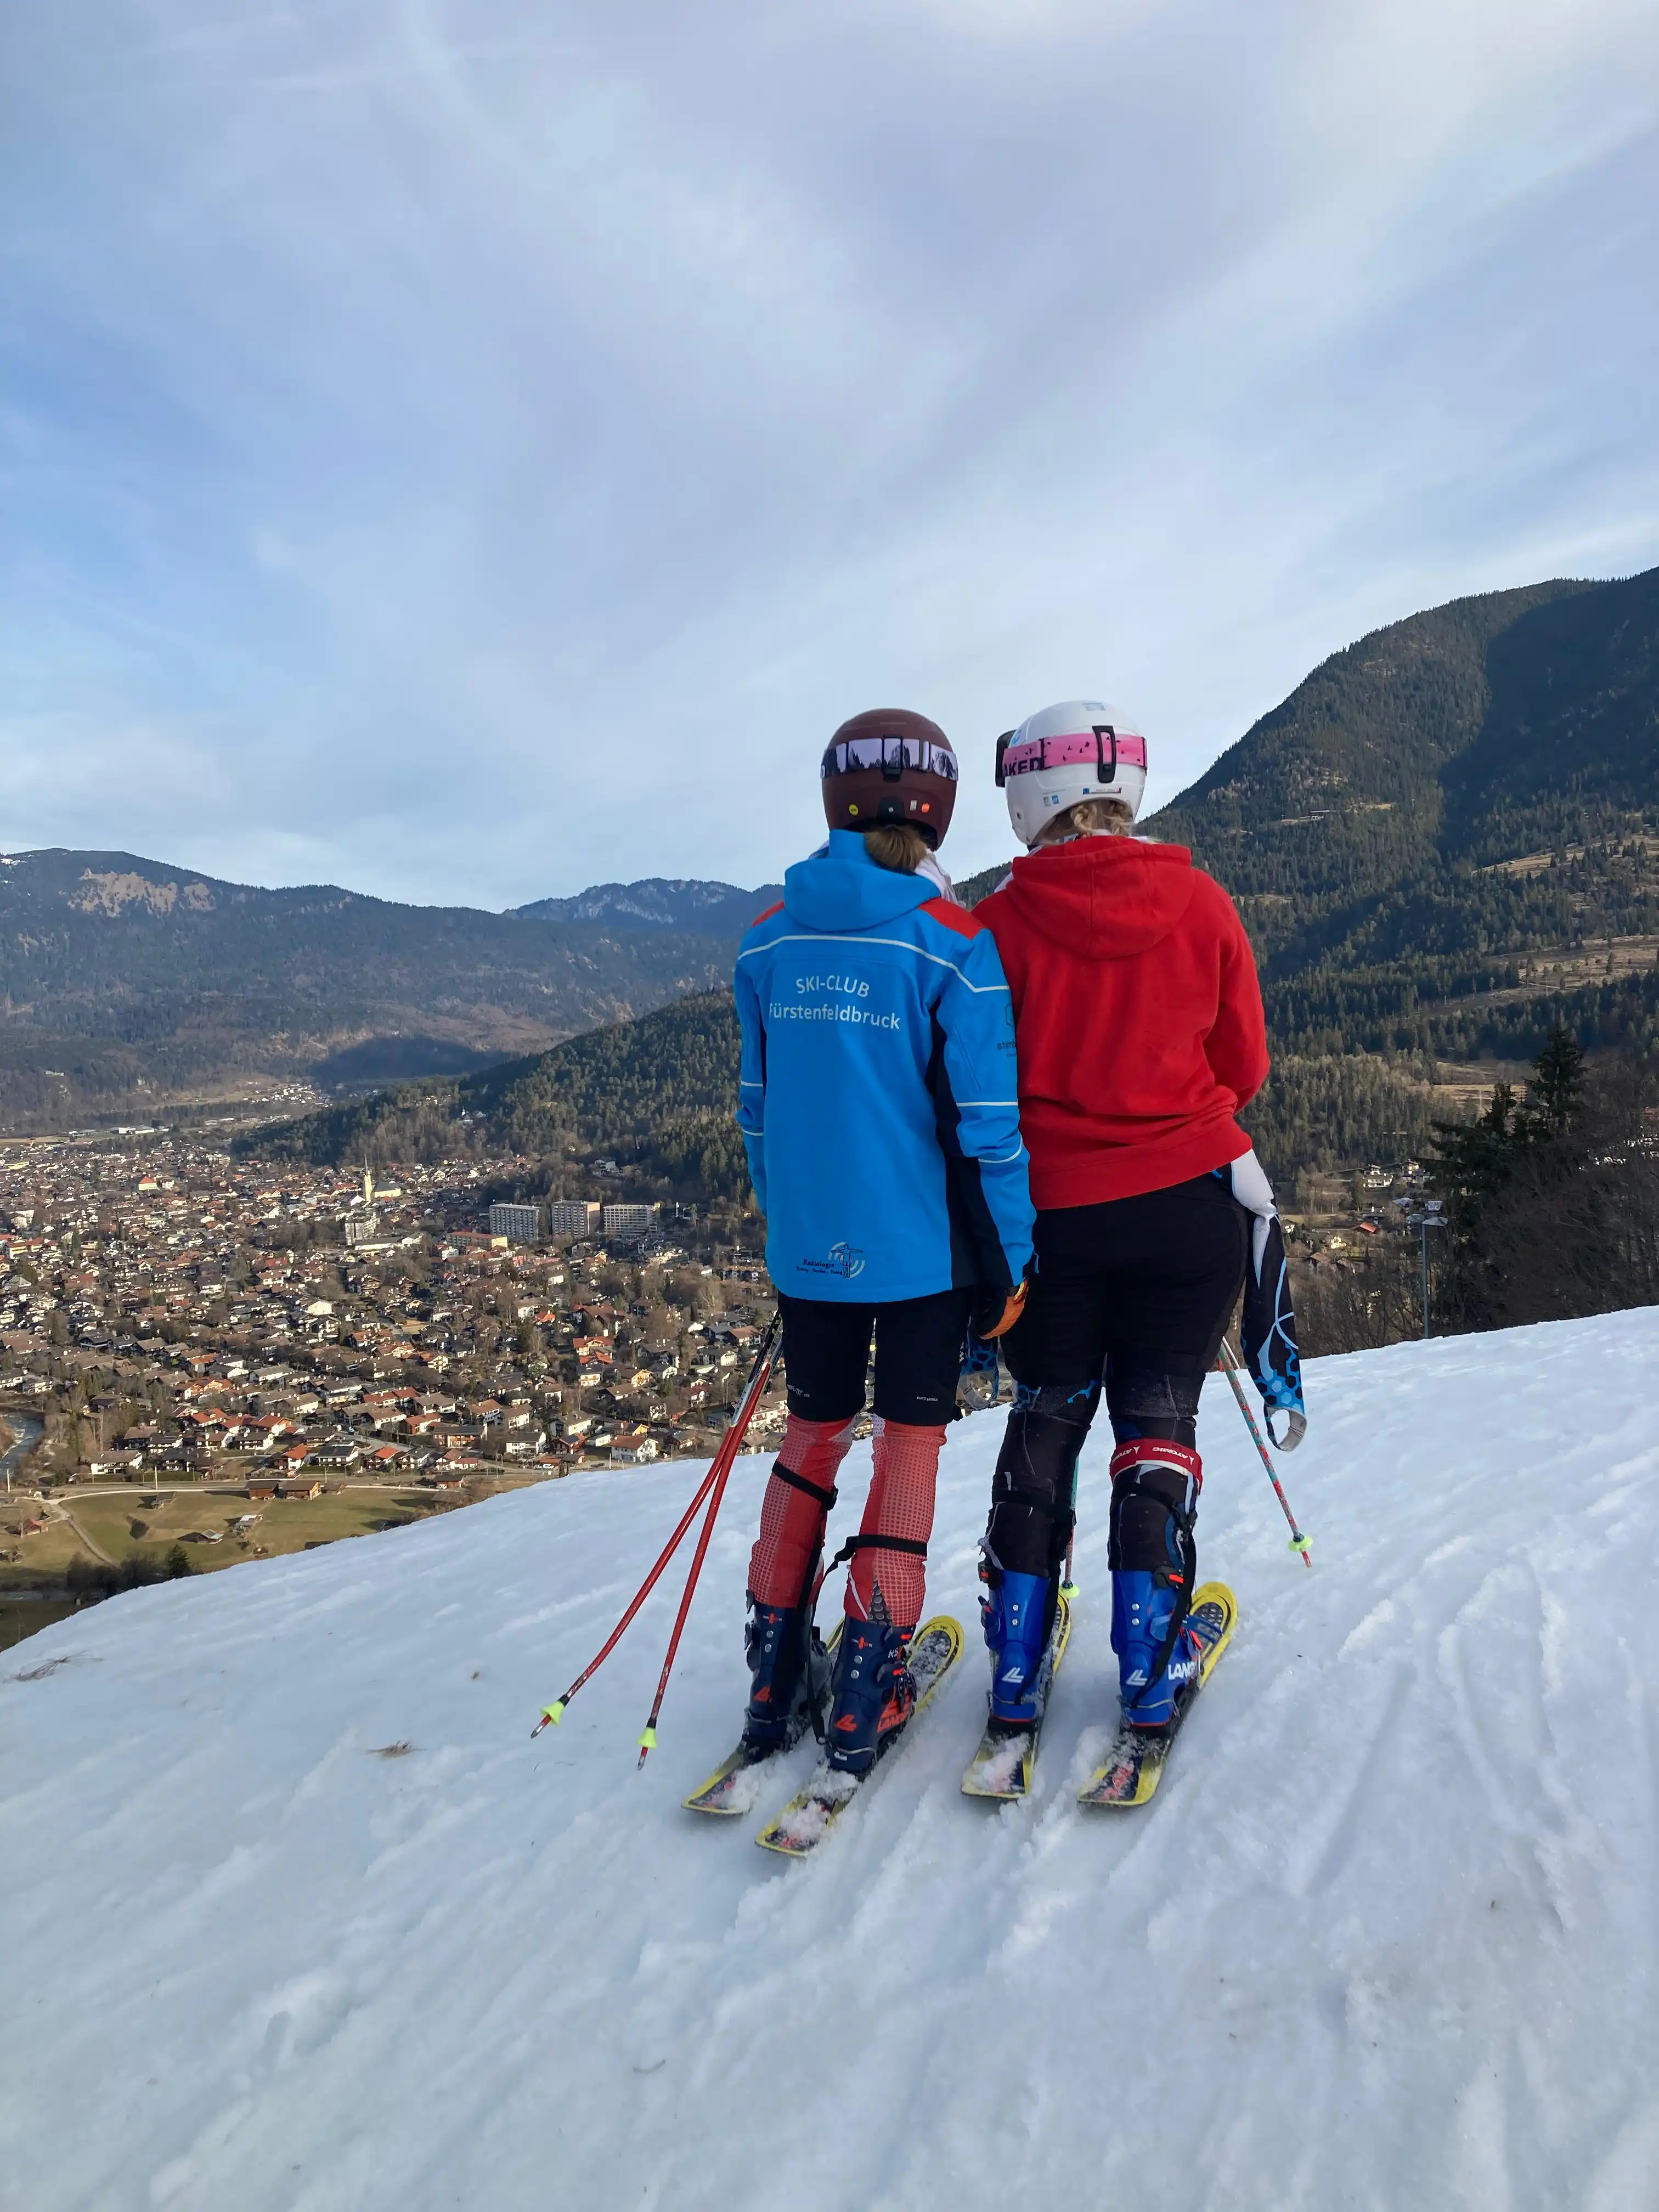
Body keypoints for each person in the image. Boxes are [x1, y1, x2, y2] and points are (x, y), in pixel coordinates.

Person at [972, 697, 1291, 1742]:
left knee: (1048, 1417)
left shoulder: (998, 926)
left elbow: (972, 1081)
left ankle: (1016, 1666)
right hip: (1186, 1211)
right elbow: (1243, 1066)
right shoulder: (1202, 906)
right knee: (1158, 1419)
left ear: (1030, 796)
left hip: (1051, 1223)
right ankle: (1149, 1664)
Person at [732, 709, 1034, 1774]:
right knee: (908, 1448)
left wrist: (789, 1222)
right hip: (921, 1262)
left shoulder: (768, 936)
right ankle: (869, 1686)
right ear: (940, 807)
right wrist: (1013, 1263)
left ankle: (772, 1678)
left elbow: (758, 1112)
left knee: (811, 1440)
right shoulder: (955, 946)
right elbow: (990, 1134)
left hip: (809, 1252)